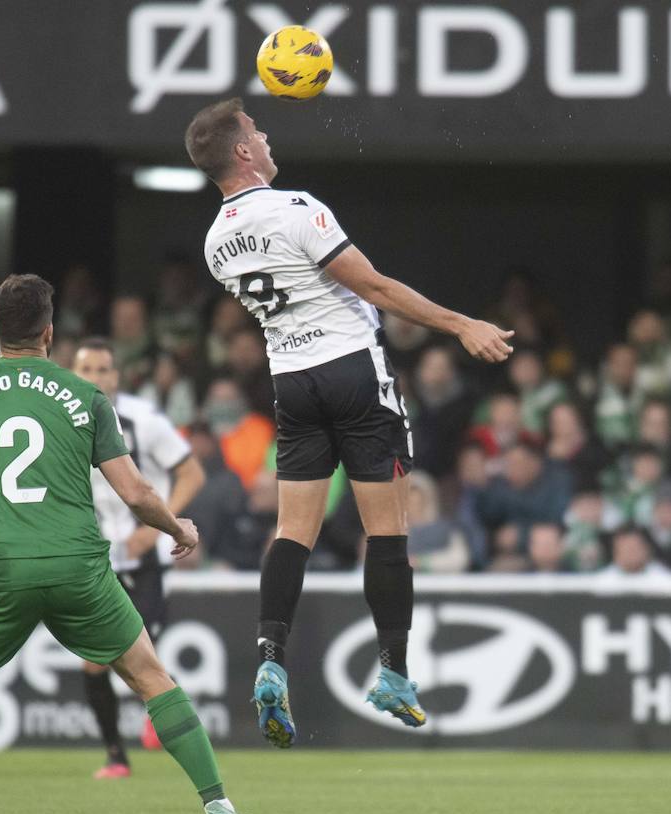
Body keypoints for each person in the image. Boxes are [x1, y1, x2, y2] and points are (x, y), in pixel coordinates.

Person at [0, 276, 257, 814]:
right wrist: (178, 528)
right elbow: (134, 494)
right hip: (79, 566)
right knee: (151, 677)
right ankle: (218, 803)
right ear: (49, 333)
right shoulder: (85, 397)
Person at [185, 98, 512, 745]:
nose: (266, 134)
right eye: (256, 130)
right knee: (387, 532)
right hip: (353, 373)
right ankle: (394, 671)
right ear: (243, 152)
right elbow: (378, 289)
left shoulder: (216, 242)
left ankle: (270, 661)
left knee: (292, 533)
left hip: (291, 385)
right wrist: (461, 324)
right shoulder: (296, 209)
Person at [73, 338, 207, 780]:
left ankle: (160, 711)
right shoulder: (60, 420)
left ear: (118, 375)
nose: (96, 378)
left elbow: (191, 472)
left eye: (103, 369)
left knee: (135, 653)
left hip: (145, 562)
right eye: (87, 369)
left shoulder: (144, 421)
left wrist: (156, 529)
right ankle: (116, 756)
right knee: (94, 662)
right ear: (74, 374)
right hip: (96, 558)